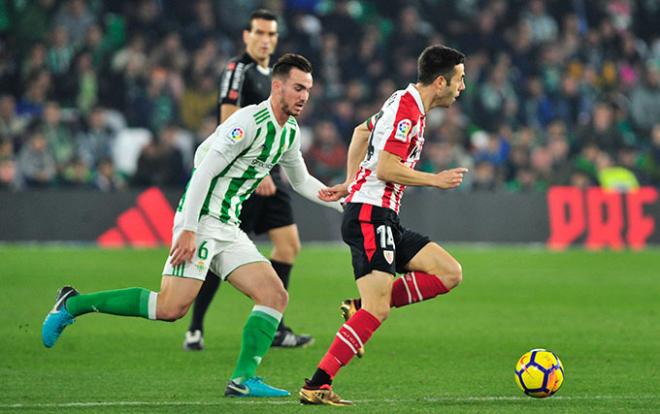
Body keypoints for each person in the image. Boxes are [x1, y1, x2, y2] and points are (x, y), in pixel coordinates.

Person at [41, 53, 341, 398]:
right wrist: (187, 227)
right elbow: (203, 170)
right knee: (170, 308)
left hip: (227, 225)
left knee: (274, 295)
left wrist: (342, 202)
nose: (304, 96)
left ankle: (243, 380)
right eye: (298, 88)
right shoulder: (248, 122)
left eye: (308, 89)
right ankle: (72, 304)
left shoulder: (289, 133)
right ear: (278, 86)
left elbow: (301, 181)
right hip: (200, 221)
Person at [299, 45, 468, 405]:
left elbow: (362, 133)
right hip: (370, 215)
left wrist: (350, 181)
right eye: (459, 79)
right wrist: (434, 180)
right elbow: (387, 168)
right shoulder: (407, 110)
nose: (462, 87)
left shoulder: (403, 100)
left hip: (380, 213)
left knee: (449, 272)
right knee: (378, 310)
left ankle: (359, 307)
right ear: (440, 82)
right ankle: (317, 384)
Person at [183, 9, 312, 351]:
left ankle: (275, 326)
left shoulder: (278, 75)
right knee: (215, 251)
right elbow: (229, 123)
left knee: (288, 245)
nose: (265, 39)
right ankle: (195, 326)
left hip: (271, 172)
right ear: (246, 35)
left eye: (271, 34)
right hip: (246, 174)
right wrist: (261, 175)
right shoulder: (237, 71)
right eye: (259, 32)